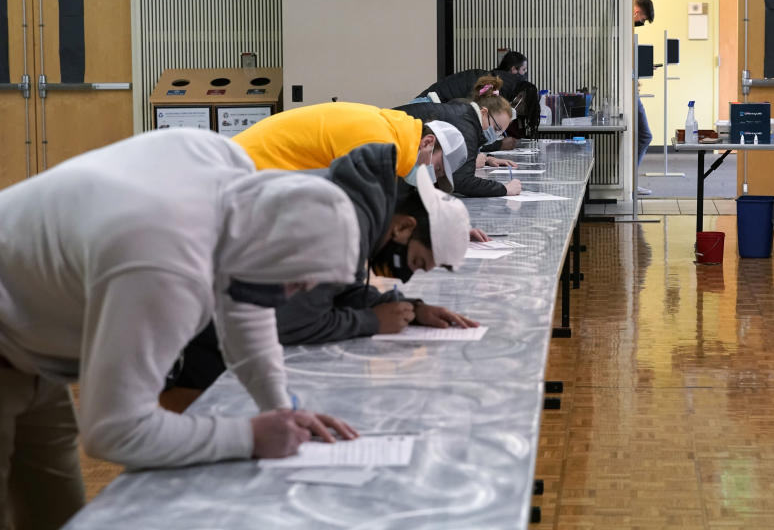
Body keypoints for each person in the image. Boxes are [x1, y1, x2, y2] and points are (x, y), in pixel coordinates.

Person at [0, 129, 363, 529]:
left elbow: (248, 298)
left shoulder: (226, 169)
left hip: (27, 340)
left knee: (58, 514)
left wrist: (280, 411)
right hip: (12, 332)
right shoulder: (165, 266)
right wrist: (248, 437)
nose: (295, 295)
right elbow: (115, 431)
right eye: (295, 282)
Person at [170, 146, 473, 393]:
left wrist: (408, 308)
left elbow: (337, 290)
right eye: (417, 262)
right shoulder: (342, 225)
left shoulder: (362, 207)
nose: (406, 275)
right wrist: (370, 321)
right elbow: (292, 324)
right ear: (405, 227)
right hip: (190, 330)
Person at [233, 101, 467, 194]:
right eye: (436, 170)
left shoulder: (390, 130)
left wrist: (445, 229)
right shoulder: (379, 142)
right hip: (242, 173)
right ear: (427, 143)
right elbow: (360, 211)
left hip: (258, 173)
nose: (432, 179)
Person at [399, 75, 523, 197]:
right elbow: (462, 181)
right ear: (484, 113)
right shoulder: (466, 125)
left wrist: (488, 158)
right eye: (496, 128)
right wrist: (505, 189)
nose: (496, 135)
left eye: (500, 133)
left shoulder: (465, 112)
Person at [632, 0, 656, 195]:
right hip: (630, 92)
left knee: (642, 136)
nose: (641, 23)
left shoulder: (625, 28)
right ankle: (630, 182)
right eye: (642, 20)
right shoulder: (625, 29)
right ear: (637, 13)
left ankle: (630, 182)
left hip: (631, 88)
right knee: (645, 135)